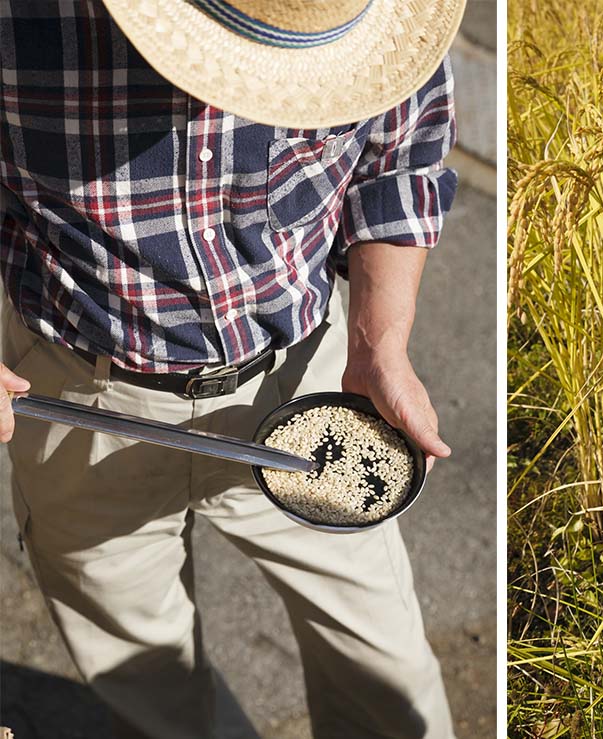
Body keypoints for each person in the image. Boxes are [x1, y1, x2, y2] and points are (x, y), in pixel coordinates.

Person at [0, 0, 466, 736]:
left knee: (389, 679)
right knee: (142, 675)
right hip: (80, 393)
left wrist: (380, 344)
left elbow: (402, 163)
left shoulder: (381, 19)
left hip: (307, 383)